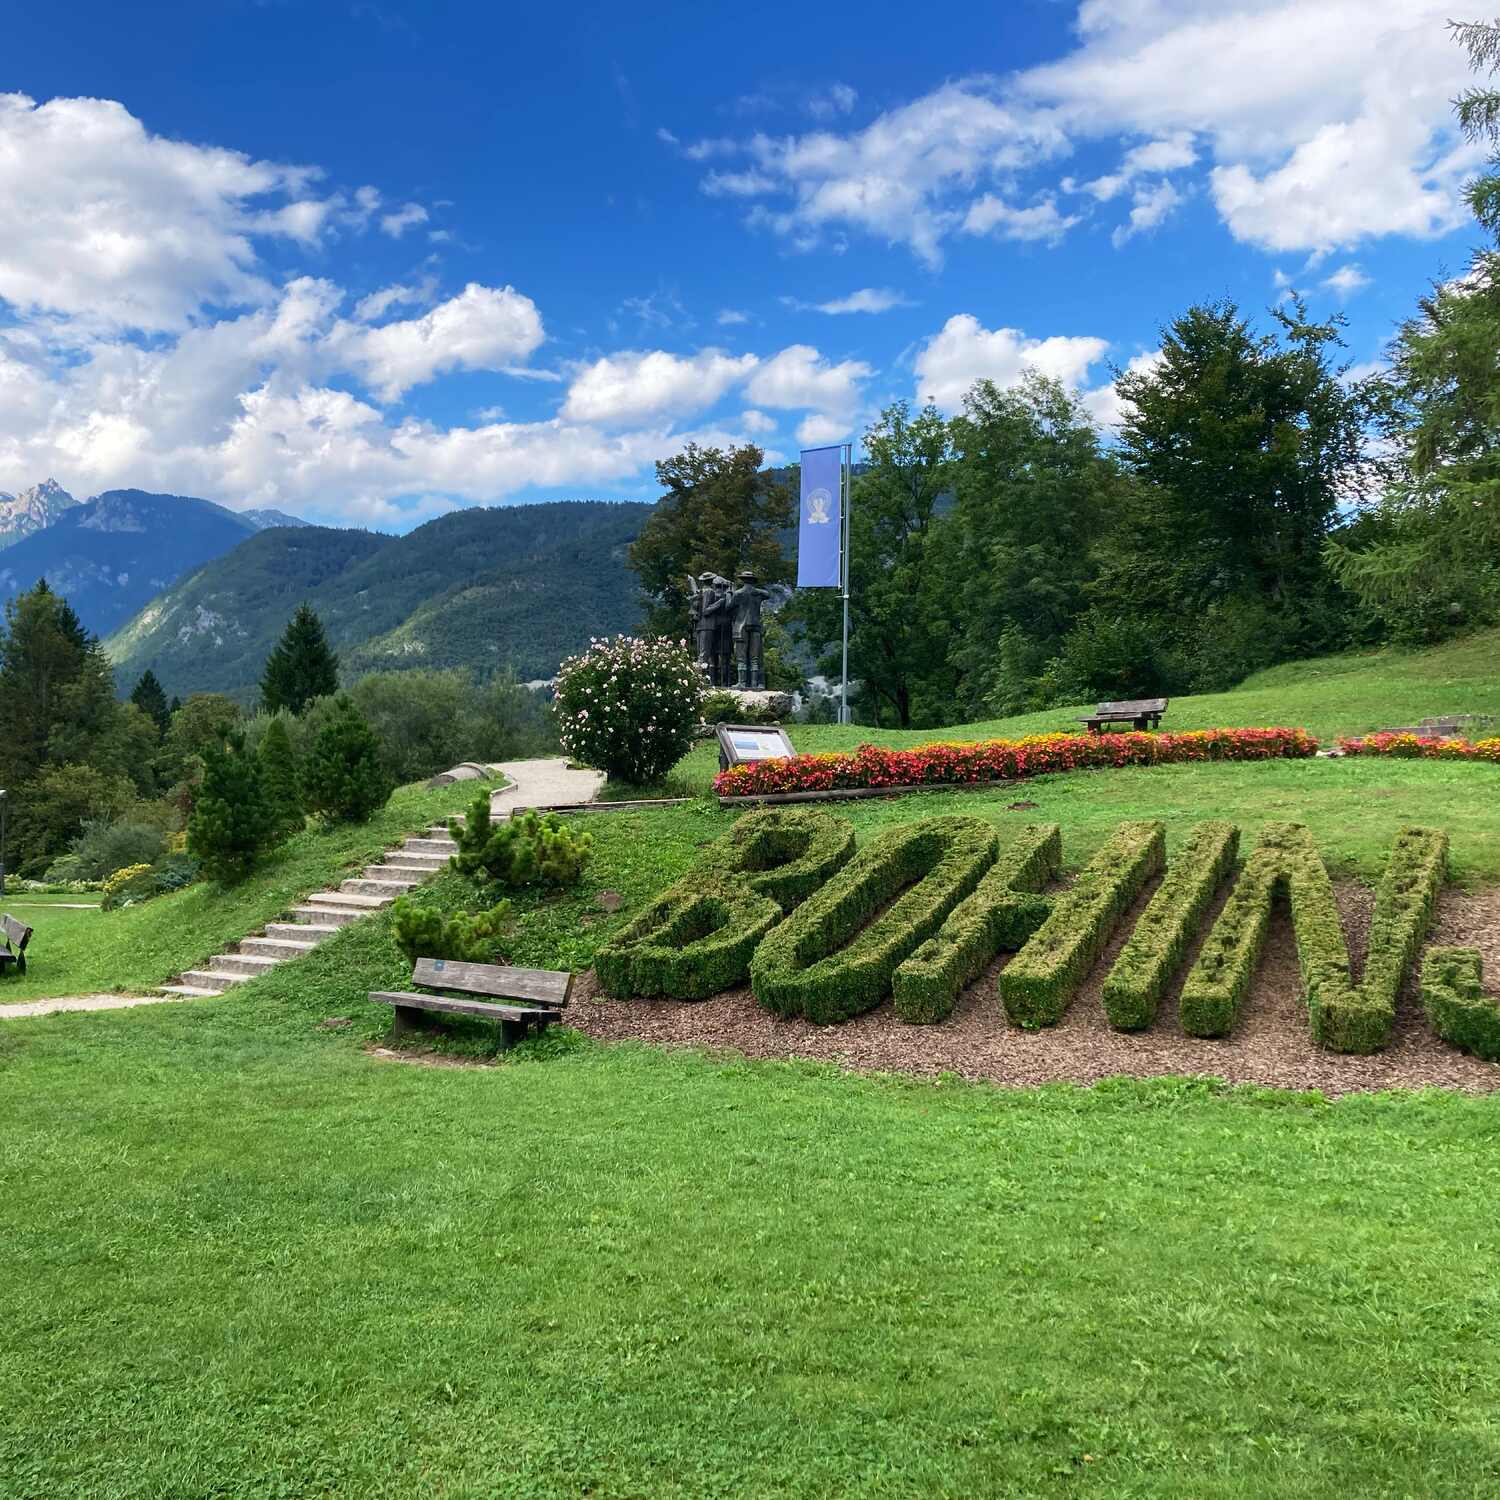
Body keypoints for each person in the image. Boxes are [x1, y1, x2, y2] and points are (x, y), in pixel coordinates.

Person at [728, 569, 771, 689]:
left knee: (741, 656)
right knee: (755, 657)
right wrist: (754, 590)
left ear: (743, 580)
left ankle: (742, 682)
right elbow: (768, 594)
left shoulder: (738, 593)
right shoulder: (758, 593)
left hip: (741, 626)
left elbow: (729, 607)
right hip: (756, 626)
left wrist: (729, 595)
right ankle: (754, 683)